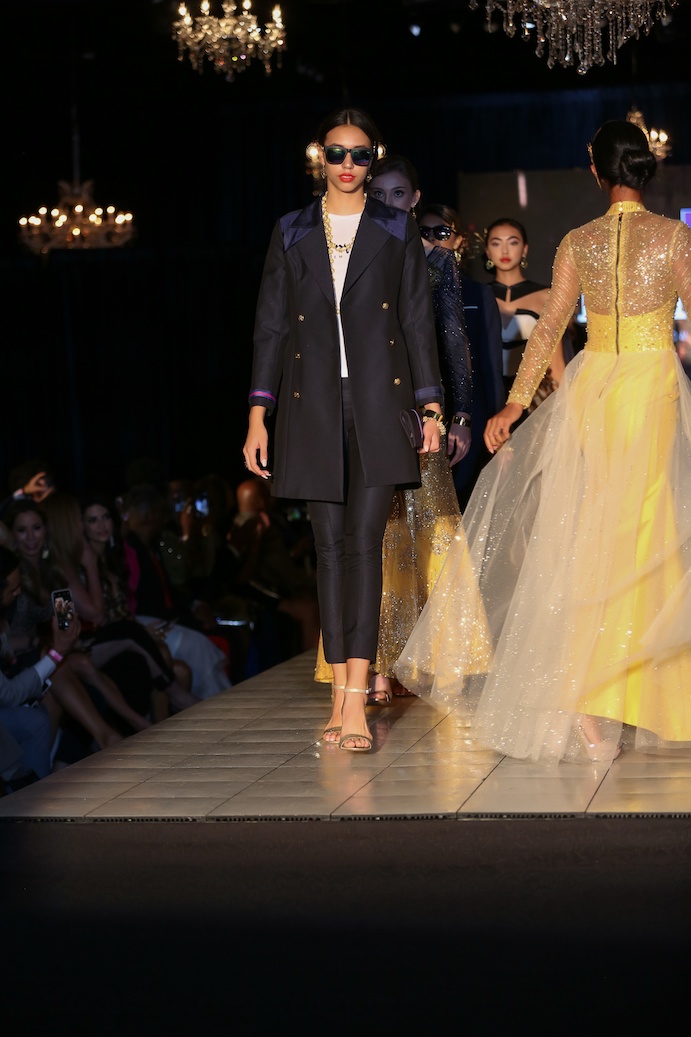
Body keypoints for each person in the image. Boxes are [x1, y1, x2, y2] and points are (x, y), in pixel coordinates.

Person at [398, 119, 691, 764]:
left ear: (597, 171)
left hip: (595, 390)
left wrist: (515, 402)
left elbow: (550, 324)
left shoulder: (578, 240)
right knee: (651, 534)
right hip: (651, 389)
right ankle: (645, 696)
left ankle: (590, 706)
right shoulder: (675, 236)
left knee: (592, 535)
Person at [243, 109, 444, 752]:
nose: (349, 165)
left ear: (372, 159)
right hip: (311, 405)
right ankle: (339, 694)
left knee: (363, 545)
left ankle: (355, 698)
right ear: (319, 158)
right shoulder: (292, 230)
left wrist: (431, 408)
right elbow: (271, 327)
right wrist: (258, 414)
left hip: (380, 403)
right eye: (337, 153)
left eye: (360, 155)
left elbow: (417, 322)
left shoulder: (395, 227)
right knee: (328, 550)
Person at [326, 154, 489, 705]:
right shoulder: (351, 254)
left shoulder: (435, 260)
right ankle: (374, 666)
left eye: (399, 195)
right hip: (367, 408)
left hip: (422, 411)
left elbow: (454, 343)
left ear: (415, 200)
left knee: (430, 531)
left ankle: (440, 658)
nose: (389, 203)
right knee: (375, 536)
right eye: (380, 195)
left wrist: (458, 416)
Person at [417, 203, 504, 508]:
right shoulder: (409, 291)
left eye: (442, 232)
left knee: (466, 499)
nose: (433, 238)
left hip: (470, 407)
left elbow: (491, 363)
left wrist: (497, 422)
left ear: (459, 240)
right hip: (424, 406)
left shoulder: (478, 293)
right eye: (424, 231)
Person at [484, 217, 568, 401]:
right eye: (496, 243)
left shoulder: (547, 296)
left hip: (536, 397)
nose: (504, 250)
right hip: (487, 396)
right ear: (487, 251)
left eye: (513, 242)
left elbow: (557, 362)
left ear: (525, 249)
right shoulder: (477, 296)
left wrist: (564, 406)